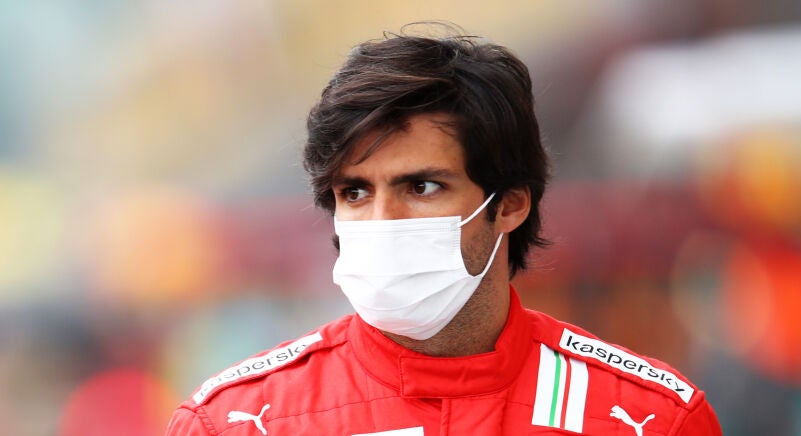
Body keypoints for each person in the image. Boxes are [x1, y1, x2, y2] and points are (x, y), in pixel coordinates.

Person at [166, 23, 722, 435]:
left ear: (510, 204)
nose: (382, 220)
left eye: (421, 187)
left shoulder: (649, 419)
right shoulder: (237, 422)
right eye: (354, 192)